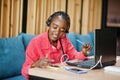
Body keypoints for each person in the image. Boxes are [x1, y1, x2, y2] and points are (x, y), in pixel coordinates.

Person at [21, 11, 91, 79]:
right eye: (54, 27)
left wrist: (84, 53)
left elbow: (74, 56)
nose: (57, 32)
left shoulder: (64, 40)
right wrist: (35, 64)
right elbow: (24, 71)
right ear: (49, 24)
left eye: (62, 30)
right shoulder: (35, 43)